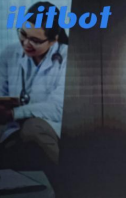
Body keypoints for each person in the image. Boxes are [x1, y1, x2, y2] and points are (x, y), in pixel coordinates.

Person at [0, 2, 68, 172]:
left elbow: (58, 108)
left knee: (32, 128)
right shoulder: (9, 53)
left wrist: (14, 113)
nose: (26, 44)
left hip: (48, 127)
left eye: (35, 40)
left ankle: (68, 177)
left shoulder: (67, 57)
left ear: (53, 41)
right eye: (23, 34)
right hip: (13, 129)